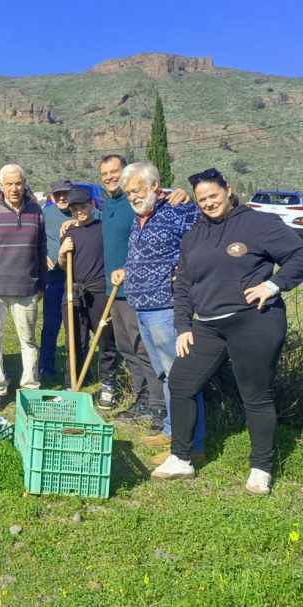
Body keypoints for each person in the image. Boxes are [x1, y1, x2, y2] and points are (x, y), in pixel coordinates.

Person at [152, 168, 303, 493]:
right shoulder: (194, 235)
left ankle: (261, 468)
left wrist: (273, 285)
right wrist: (183, 326)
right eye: (202, 199)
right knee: (182, 383)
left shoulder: (257, 223)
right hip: (208, 326)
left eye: (213, 195)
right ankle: (181, 458)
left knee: (255, 395)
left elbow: (301, 255)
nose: (209, 203)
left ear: (228, 190)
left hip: (254, 321)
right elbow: (183, 284)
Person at [111, 161, 206, 463]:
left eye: (136, 190)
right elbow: (141, 254)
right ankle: (171, 430)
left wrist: (187, 198)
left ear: (154, 185)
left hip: (167, 308)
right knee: (165, 375)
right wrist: (127, 271)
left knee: (182, 378)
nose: (132, 197)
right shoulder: (142, 217)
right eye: (128, 194)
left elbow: (206, 235)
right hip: (143, 306)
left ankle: (192, 445)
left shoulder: (179, 211)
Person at [97, 154, 167, 416]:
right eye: (105, 174)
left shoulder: (139, 202)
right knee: (127, 349)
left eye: (114, 171)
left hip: (136, 290)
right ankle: (141, 400)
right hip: (113, 291)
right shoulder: (109, 205)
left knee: (143, 348)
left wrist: (179, 194)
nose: (109, 177)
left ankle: (158, 405)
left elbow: (162, 200)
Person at [0, 164, 46, 411]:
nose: (14, 189)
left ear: (24, 183)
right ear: (1, 186)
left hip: (26, 289)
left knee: (28, 341)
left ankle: (30, 387)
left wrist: (41, 284)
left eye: (18, 183)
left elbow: (41, 249)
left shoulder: (36, 211)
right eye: (9, 184)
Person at [57, 188, 109, 378]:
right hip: (73, 291)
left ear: (92, 205)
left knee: (104, 338)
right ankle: (74, 379)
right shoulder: (68, 231)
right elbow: (63, 266)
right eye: (74, 208)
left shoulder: (104, 227)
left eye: (83, 206)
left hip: (99, 291)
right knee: (74, 338)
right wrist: (62, 253)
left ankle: (107, 381)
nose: (79, 211)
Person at [38, 179, 73, 382]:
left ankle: (74, 369)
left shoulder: (82, 211)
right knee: (51, 323)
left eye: (65, 194)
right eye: (58, 194)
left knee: (75, 325)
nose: (62, 198)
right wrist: (43, 256)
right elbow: (35, 238)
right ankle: (46, 366)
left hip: (77, 276)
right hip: (53, 276)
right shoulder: (46, 214)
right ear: (52, 196)